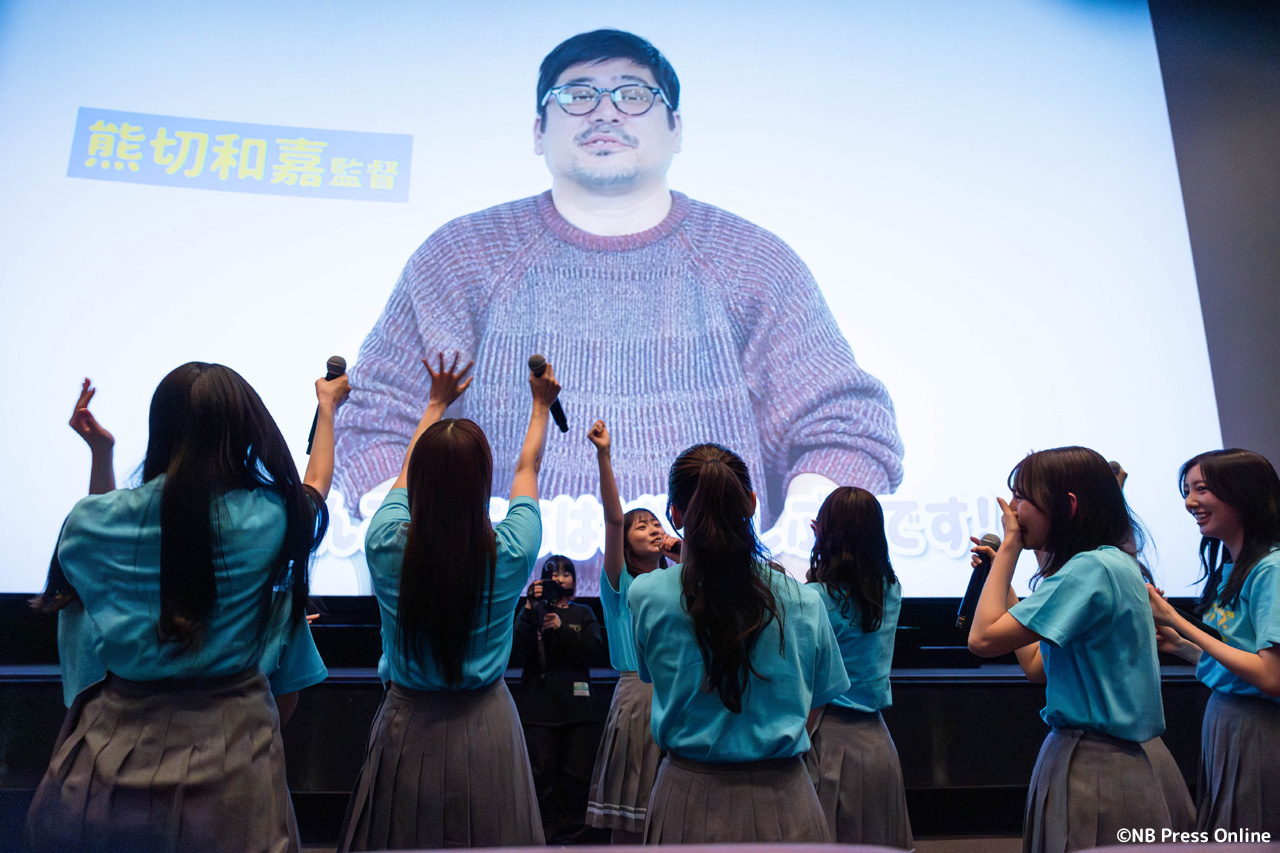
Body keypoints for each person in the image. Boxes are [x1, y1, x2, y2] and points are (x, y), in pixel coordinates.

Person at [334, 28, 904, 542]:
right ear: (539, 131)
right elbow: (374, 417)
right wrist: (415, 547)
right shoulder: (462, 254)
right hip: (488, 603)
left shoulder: (755, 261)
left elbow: (846, 427)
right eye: (578, 95)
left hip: (717, 611)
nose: (604, 113)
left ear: (676, 128)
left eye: (633, 95)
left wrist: (796, 554)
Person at [25, 363, 346, 853]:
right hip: (230, 757)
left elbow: (108, 553)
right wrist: (326, 409)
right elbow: (316, 484)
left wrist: (102, 455)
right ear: (242, 433)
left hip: (105, 759)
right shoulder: (272, 516)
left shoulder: (88, 523)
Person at [338, 353, 560, 851]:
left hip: (406, 725)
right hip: (487, 725)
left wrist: (435, 404)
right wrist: (540, 406)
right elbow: (528, 466)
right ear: (483, 483)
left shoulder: (384, 542)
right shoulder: (514, 548)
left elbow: (404, 473)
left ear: (421, 483)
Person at [628, 443, 851, 843]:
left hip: (685, 800)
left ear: (674, 514)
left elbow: (649, 675)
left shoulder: (646, 594)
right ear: (750, 503)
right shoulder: (805, 599)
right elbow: (818, 701)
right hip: (786, 800)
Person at [966, 446, 1170, 853]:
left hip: (1094, 769)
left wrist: (1009, 548)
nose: (1014, 510)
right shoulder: (1113, 562)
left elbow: (982, 639)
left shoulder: (1089, 569)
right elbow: (1037, 665)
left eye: (1023, 497)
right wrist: (999, 578)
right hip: (1105, 764)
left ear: (1069, 505)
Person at [1147, 449, 1280, 834]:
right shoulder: (1235, 566)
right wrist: (1177, 644)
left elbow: (1271, 676)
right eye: (1187, 491)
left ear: (1243, 494)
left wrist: (1176, 620)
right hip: (1228, 720)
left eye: (1201, 489)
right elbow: (1238, 660)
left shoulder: (1271, 569)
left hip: (1260, 728)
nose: (1190, 503)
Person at [583, 419, 677, 841]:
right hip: (638, 695)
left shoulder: (679, 580)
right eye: (643, 526)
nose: (654, 529)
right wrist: (605, 455)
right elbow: (614, 520)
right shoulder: (622, 583)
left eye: (657, 523)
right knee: (631, 815)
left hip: (679, 694)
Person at [804, 486, 913, 849]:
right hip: (879, 744)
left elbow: (814, 681)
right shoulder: (891, 589)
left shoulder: (815, 598)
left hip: (828, 741)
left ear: (824, 532)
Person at [512, 555, 607, 843]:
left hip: (577, 710)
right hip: (538, 709)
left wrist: (561, 629)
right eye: (554, 573)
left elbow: (595, 650)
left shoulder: (583, 612)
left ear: (576, 582)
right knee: (540, 777)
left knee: (576, 777)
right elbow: (516, 648)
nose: (560, 578)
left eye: (567, 573)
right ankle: (540, 836)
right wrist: (530, 608)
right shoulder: (531, 611)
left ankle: (572, 839)